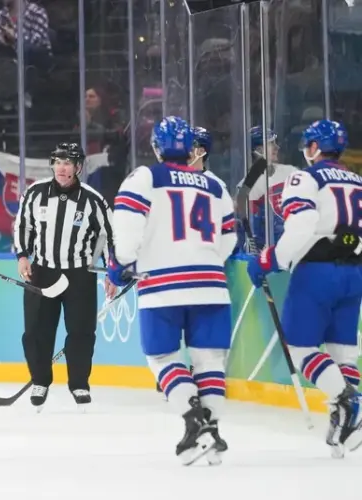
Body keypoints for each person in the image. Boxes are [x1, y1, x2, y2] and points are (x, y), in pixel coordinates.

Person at [108, 117, 237, 465]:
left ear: (156, 147)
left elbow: (126, 229)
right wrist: (205, 261)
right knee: (209, 362)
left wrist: (122, 265)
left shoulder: (145, 177)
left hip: (162, 285)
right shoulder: (214, 185)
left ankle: (195, 421)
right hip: (211, 286)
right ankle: (210, 431)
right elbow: (229, 238)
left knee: (162, 358)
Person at [244, 119, 362, 458]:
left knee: (301, 349)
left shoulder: (305, 177)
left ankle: (350, 403)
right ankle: (343, 420)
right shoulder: (357, 180)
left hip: (318, 273)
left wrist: (271, 260)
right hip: (355, 273)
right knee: (343, 352)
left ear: (313, 148)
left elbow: (301, 226)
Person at [13, 142, 117, 410]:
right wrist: (23, 255)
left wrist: (111, 271)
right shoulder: (35, 194)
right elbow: (23, 225)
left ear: (78, 167)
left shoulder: (93, 200)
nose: (61, 167)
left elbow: (108, 237)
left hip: (80, 274)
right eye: (58, 161)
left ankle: (79, 383)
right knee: (36, 331)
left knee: (81, 332)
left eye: (67, 162)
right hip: (43, 272)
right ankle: (40, 380)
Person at [235, 127, 298, 252]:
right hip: (275, 252)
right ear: (259, 150)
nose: (277, 148)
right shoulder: (247, 187)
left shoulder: (291, 171)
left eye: (275, 143)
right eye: (271, 144)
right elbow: (252, 233)